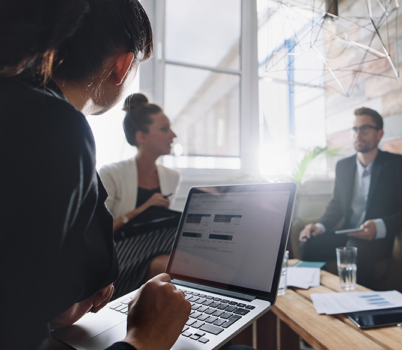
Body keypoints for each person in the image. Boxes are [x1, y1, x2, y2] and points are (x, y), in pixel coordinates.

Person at [0, 1, 251, 350]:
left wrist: (57, 303)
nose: (173, 135)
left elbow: (24, 283)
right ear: (123, 65)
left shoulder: (24, 113)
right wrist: (143, 340)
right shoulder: (56, 130)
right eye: (165, 128)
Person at [298, 107, 402, 288]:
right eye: (355, 129)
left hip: (378, 240)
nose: (358, 134)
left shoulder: (396, 164)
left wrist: (379, 226)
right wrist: (319, 226)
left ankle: (361, 309)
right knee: (309, 243)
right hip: (347, 233)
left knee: (356, 247)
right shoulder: (343, 166)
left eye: (364, 128)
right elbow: (336, 207)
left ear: (380, 133)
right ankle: (314, 298)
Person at [99, 93, 179, 292]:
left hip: (154, 247)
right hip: (116, 253)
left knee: (168, 260)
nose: (173, 135)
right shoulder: (110, 174)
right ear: (142, 136)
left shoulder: (172, 177)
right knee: (174, 254)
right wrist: (144, 209)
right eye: (164, 129)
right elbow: (99, 233)